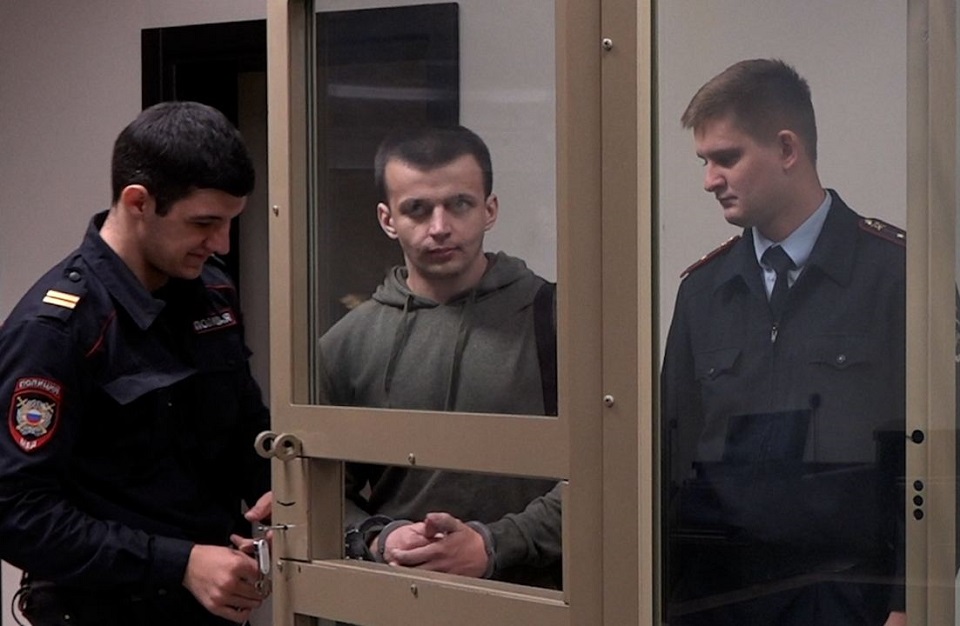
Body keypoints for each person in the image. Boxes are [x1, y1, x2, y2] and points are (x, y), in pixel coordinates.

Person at [0, 101, 273, 625]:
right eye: (204, 223)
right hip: (104, 609)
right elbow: (17, 513)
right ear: (138, 202)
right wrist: (180, 562)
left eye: (229, 223)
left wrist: (276, 490)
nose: (220, 243)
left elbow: (245, 427)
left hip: (211, 609)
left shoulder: (213, 293)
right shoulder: (56, 328)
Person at [661, 59, 906, 626]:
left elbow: (936, 458)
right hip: (718, 598)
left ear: (787, 149)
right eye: (704, 162)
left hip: (848, 596)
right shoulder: (704, 292)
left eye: (726, 158)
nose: (709, 180)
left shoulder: (895, 278)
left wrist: (908, 599)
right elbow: (672, 456)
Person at [320, 125, 562, 587]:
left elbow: (606, 472)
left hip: (537, 602)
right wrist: (379, 538)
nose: (440, 227)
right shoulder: (345, 344)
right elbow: (318, 492)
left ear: (489, 210)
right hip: (399, 601)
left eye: (459, 204)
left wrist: (493, 545)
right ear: (387, 219)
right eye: (417, 209)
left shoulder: (558, 320)